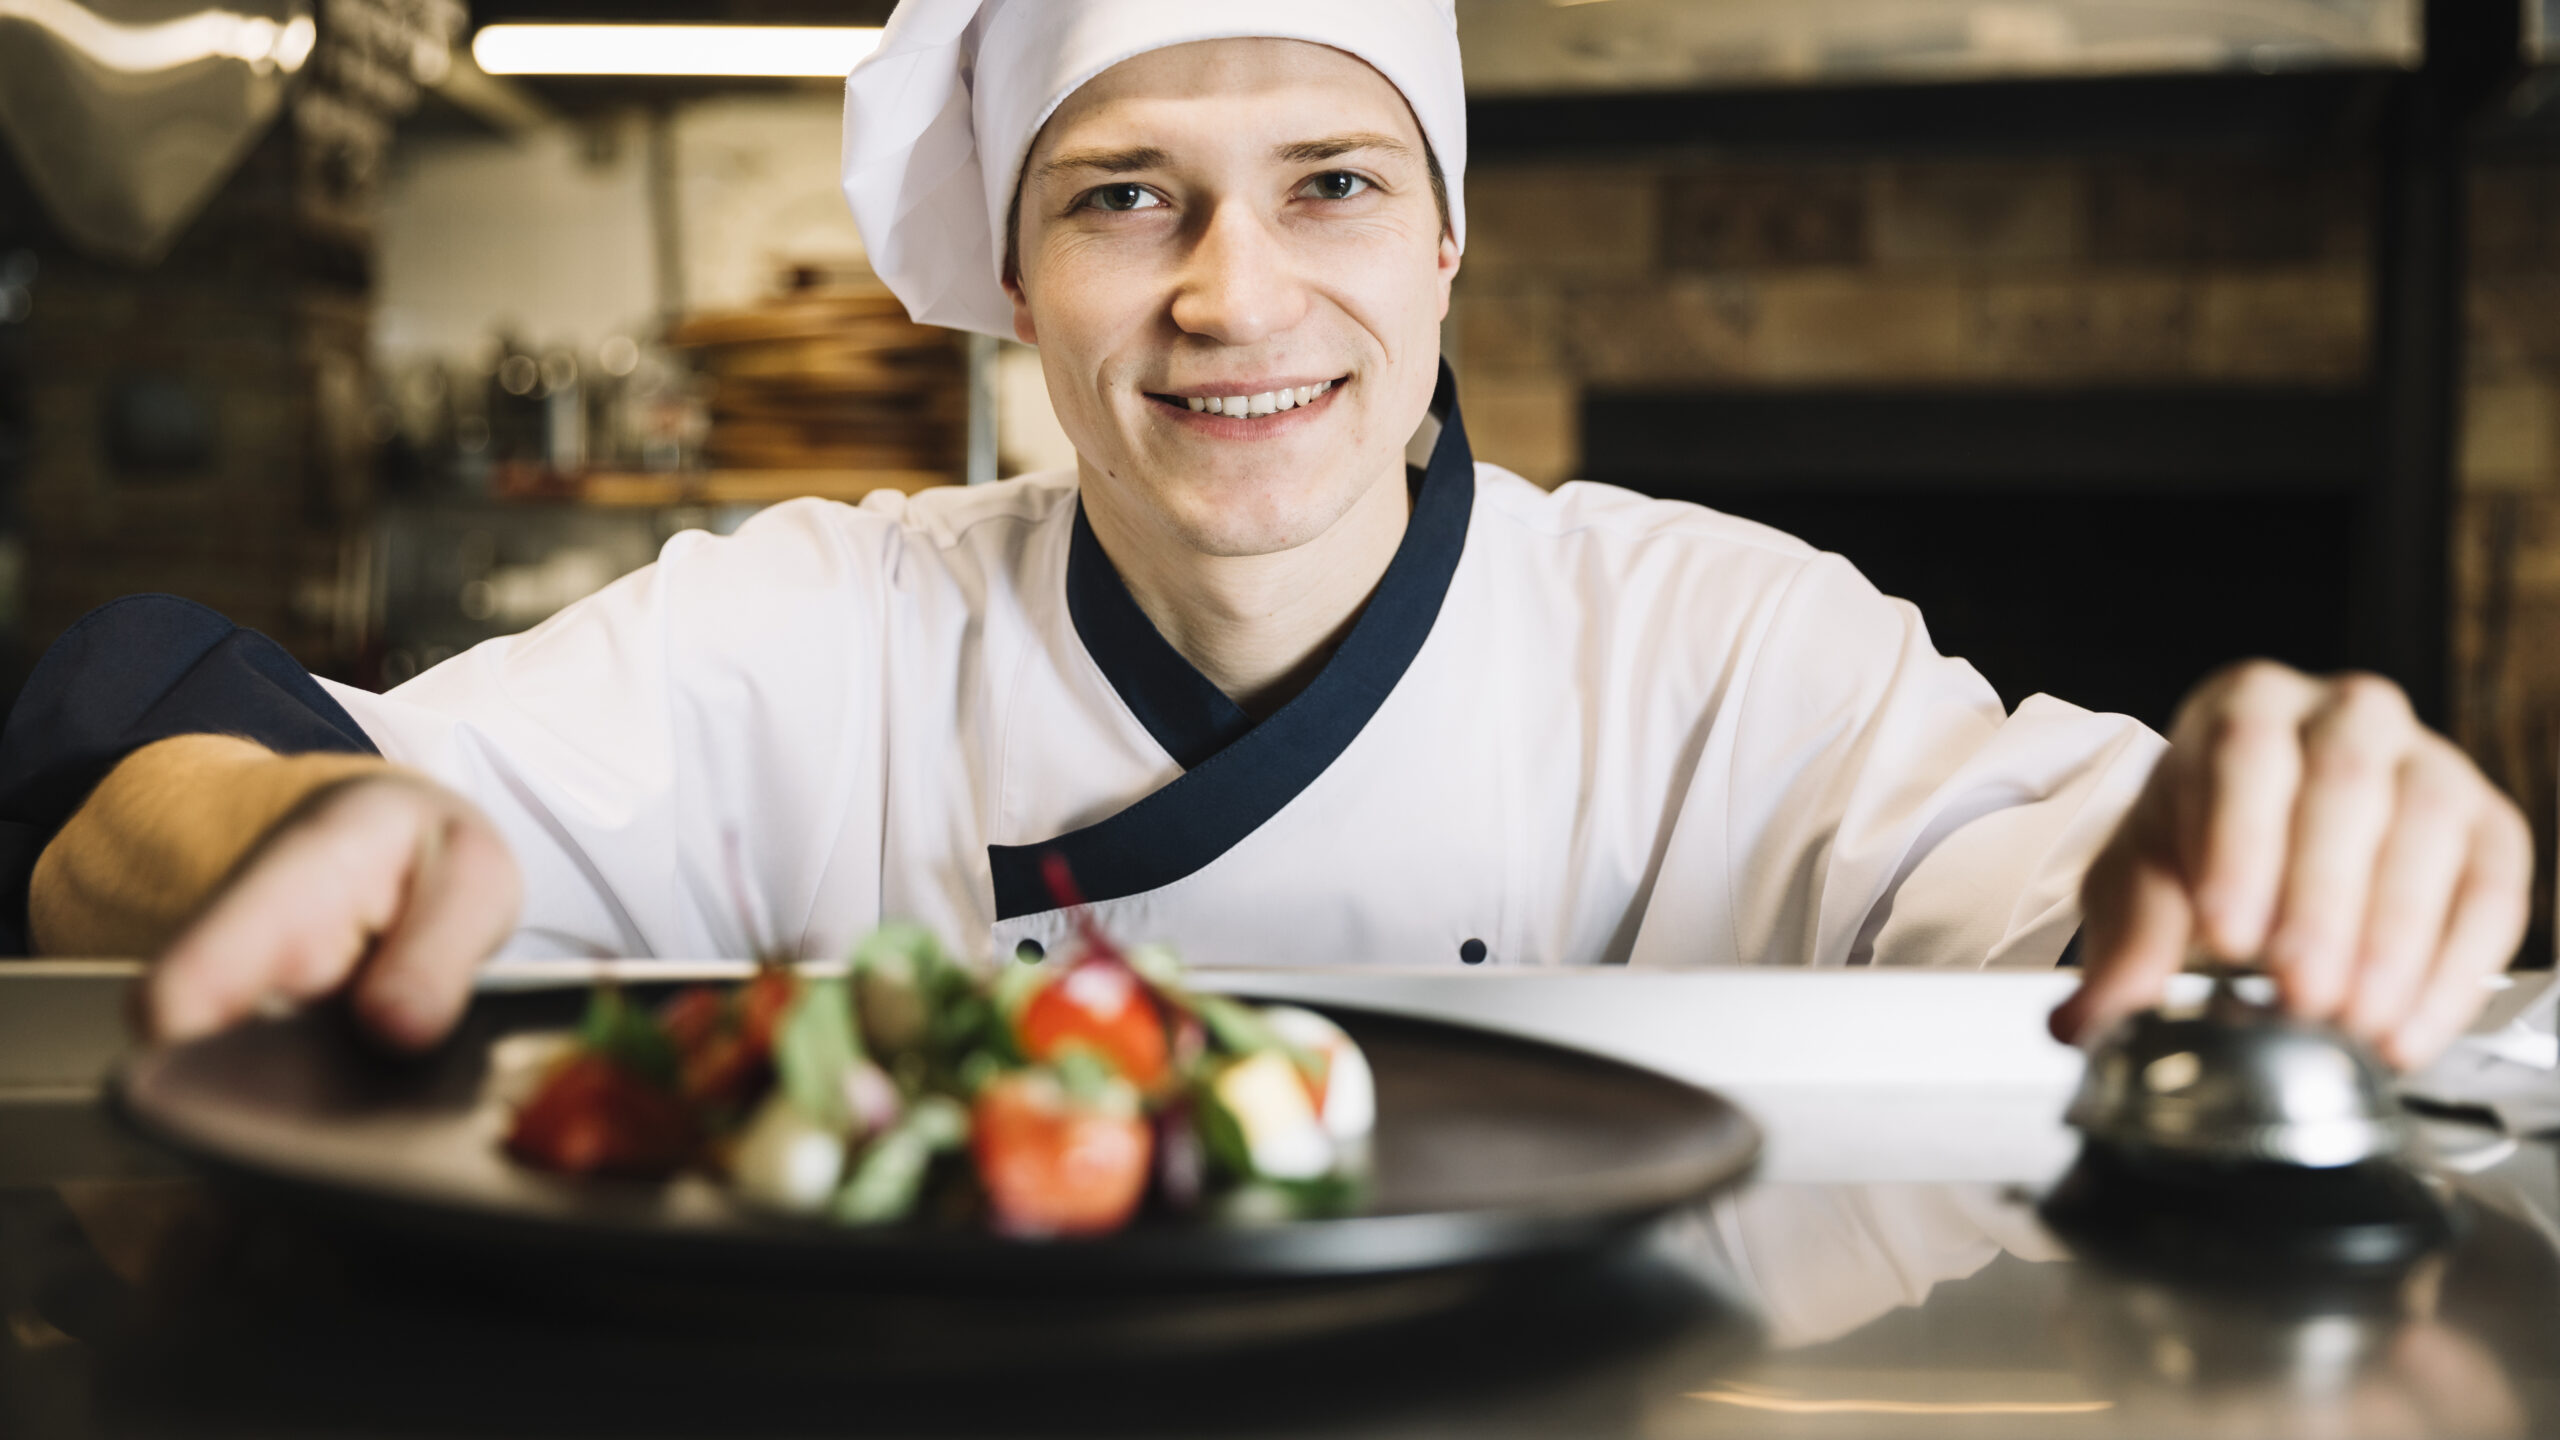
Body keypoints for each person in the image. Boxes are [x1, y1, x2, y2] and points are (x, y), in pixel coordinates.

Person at [0, 0, 2529, 1075]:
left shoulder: (1714, 640)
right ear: (1013, 281)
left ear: (1442, 241)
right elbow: (153, 725)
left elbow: (2097, 912)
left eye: (1328, 182)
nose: (1235, 294)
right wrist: (294, 829)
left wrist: (2290, 832)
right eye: (1125, 200)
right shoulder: (812, 628)